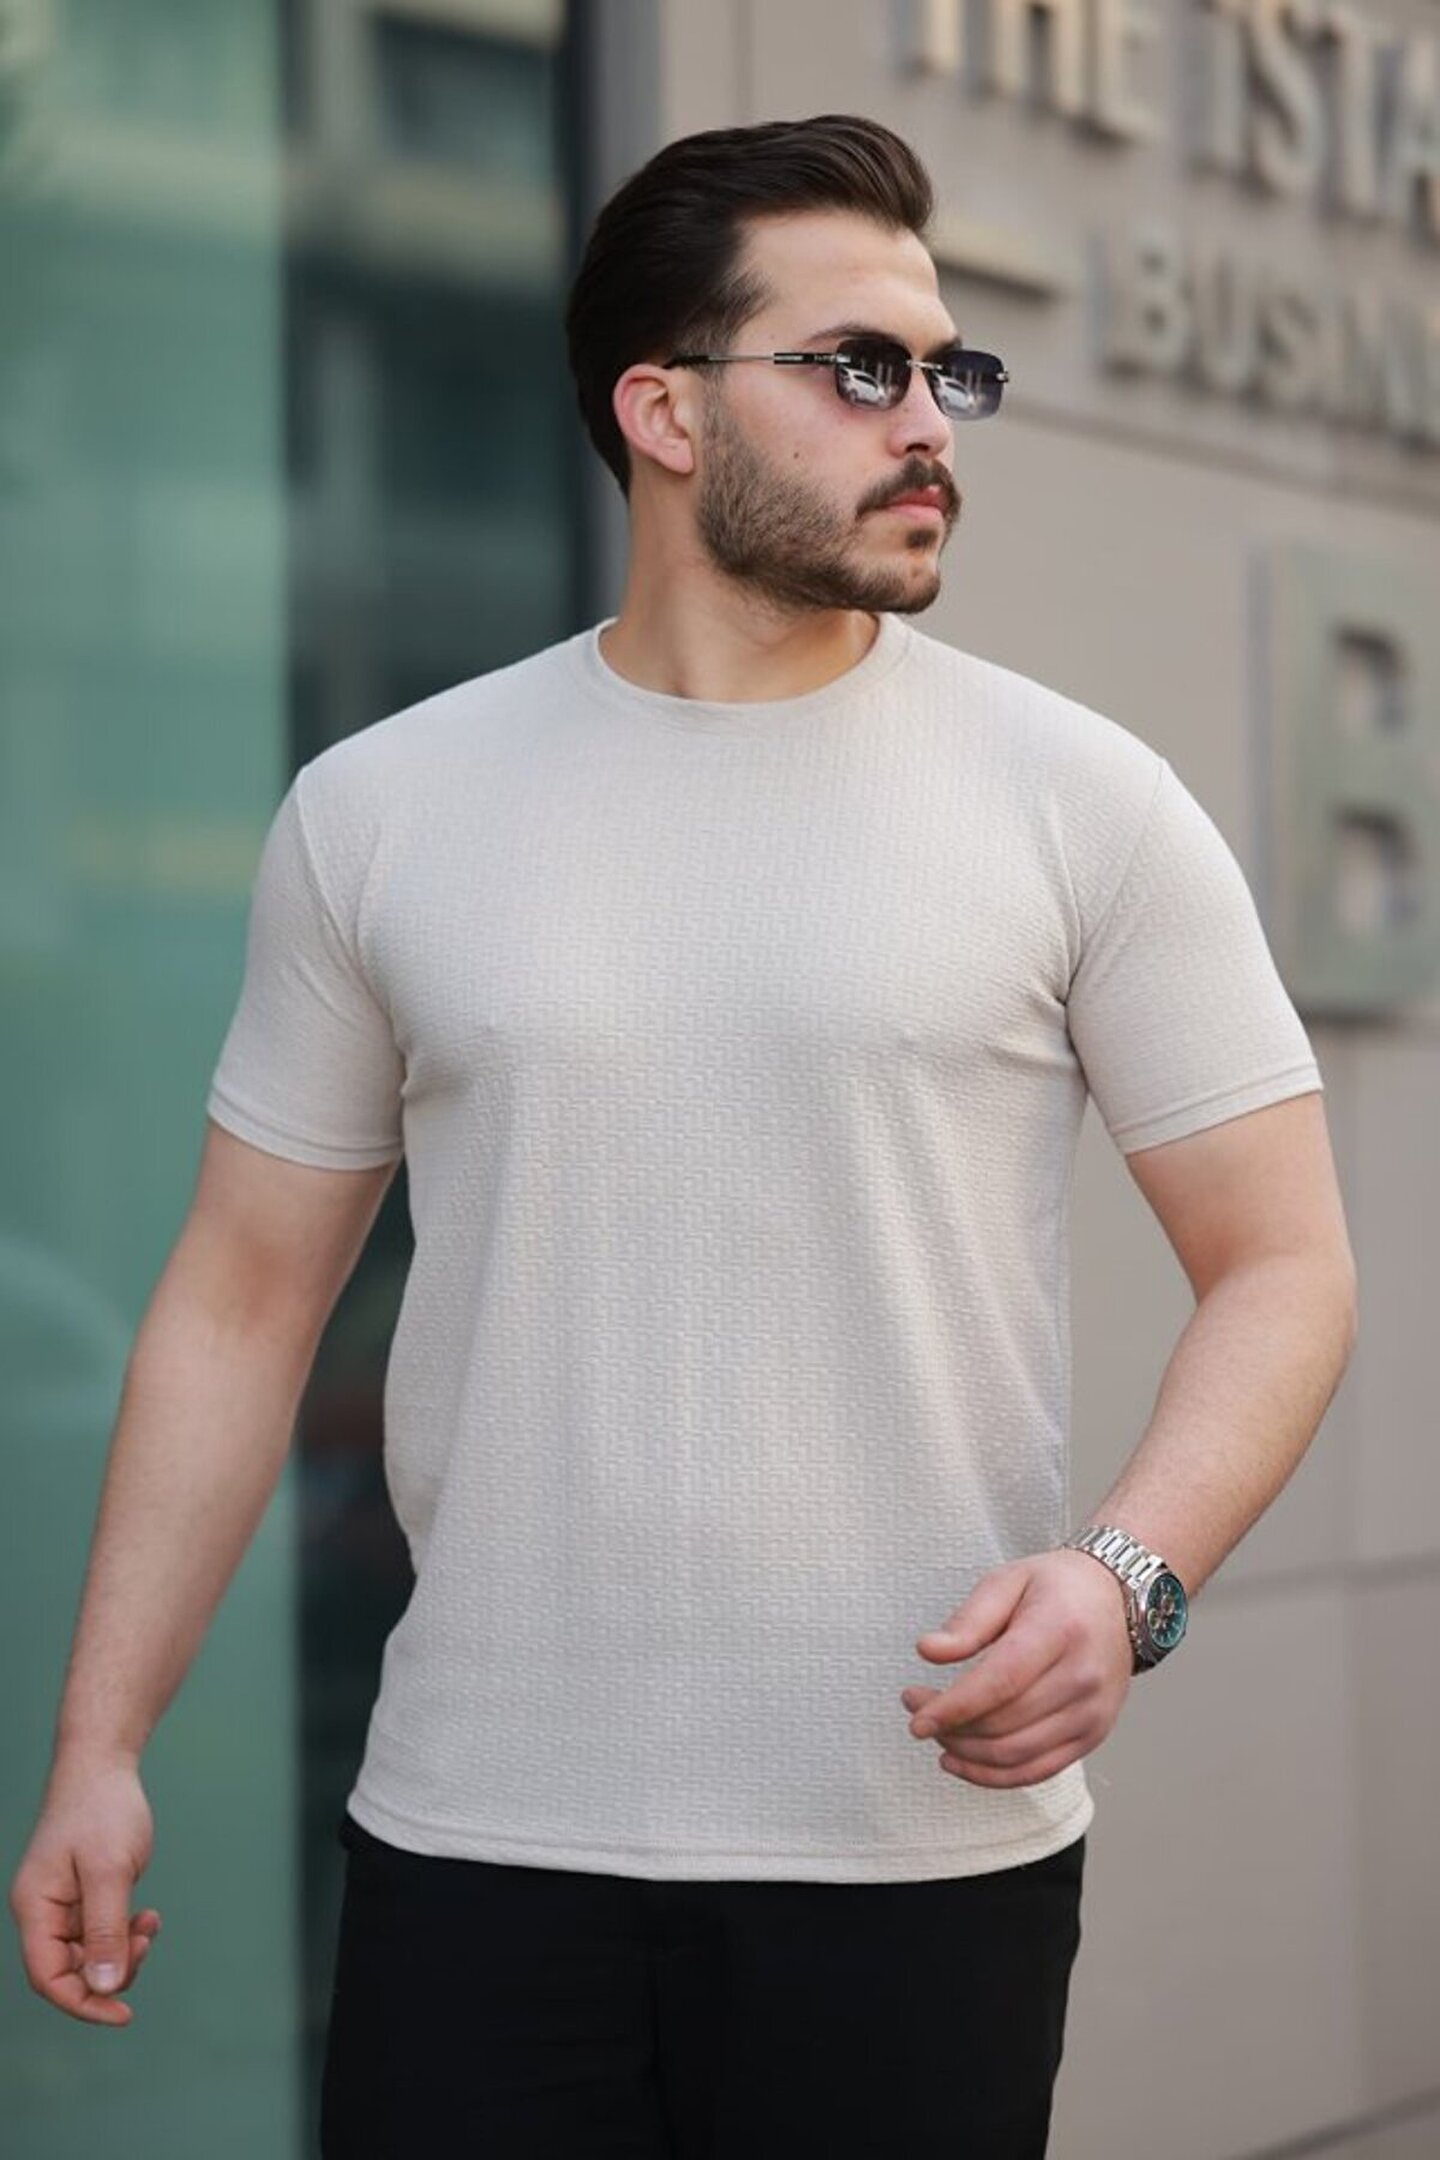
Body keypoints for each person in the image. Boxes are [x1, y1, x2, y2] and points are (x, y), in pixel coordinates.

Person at [9, 113, 1358, 2158]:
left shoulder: (1084, 801)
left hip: (915, 1855)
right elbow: (243, 1298)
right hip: (475, 1849)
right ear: (663, 410)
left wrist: (1126, 1577)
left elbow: (1285, 1261)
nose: (932, 424)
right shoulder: (383, 811)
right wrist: (102, 1741)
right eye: (862, 366)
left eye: (949, 372)